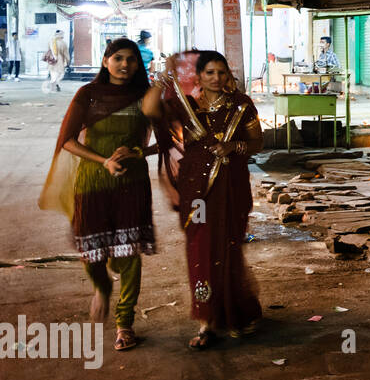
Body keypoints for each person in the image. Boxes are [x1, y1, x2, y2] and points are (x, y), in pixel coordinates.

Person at [39, 38, 156, 352]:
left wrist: (135, 152)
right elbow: (67, 141)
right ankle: (102, 288)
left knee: (128, 255)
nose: (125, 65)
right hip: (92, 181)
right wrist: (103, 161)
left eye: (131, 59)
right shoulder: (87, 95)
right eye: (118, 58)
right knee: (93, 255)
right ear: (105, 61)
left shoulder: (145, 96)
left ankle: (124, 323)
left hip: (132, 183)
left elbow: (168, 141)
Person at [143, 50, 263, 350]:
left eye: (221, 72)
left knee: (229, 246)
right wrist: (164, 77)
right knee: (200, 248)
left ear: (228, 75)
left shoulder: (240, 105)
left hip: (232, 185)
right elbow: (149, 109)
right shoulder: (187, 106)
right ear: (198, 77)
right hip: (196, 189)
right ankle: (206, 320)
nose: (216, 78)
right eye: (209, 72)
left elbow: (256, 141)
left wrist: (233, 146)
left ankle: (237, 312)